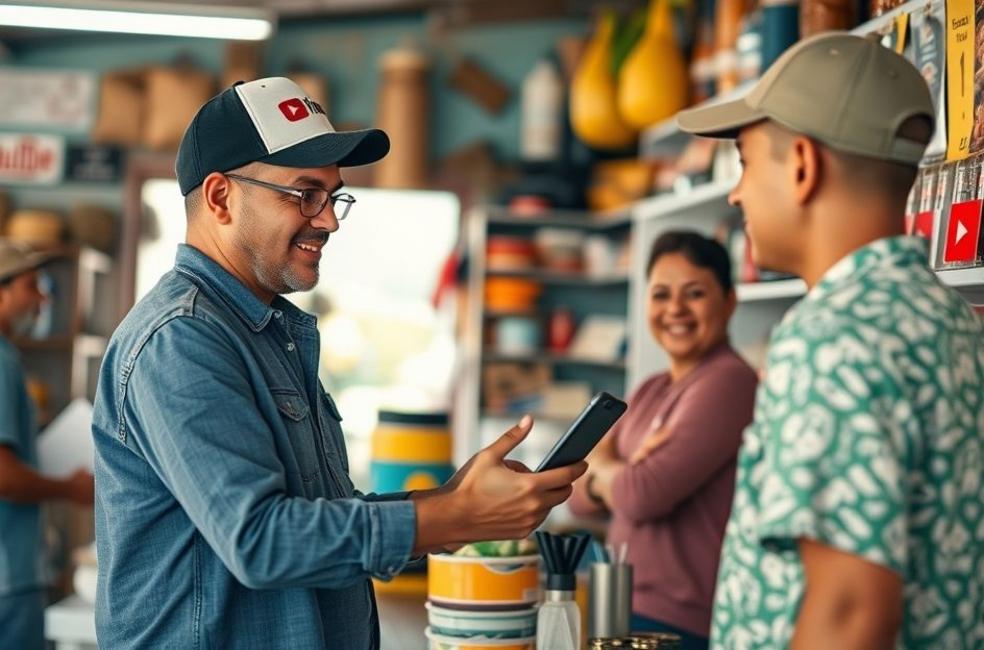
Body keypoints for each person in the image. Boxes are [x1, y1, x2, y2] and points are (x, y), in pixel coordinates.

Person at [91, 77, 586, 649]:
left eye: (332, 195)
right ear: (221, 197)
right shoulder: (181, 340)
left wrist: (450, 501)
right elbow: (261, 540)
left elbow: (314, 516)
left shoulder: (264, 334)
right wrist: (458, 519)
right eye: (304, 194)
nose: (329, 220)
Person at [677, 32, 984, 648]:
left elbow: (849, 611)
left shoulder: (828, 339)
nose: (736, 192)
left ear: (802, 165)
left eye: (745, 161)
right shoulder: (953, 322)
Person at [569, 231, 758, 649]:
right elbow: (577, 495)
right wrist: (620, 472)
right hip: (620, 605)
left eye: (694, 294)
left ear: (728, 301)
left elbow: (642, 496)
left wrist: (610, 468)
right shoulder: (650, 389)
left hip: (680, 622)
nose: (675, 309)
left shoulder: (729, 381)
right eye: (660, 294)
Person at [0, 240, 95, 650]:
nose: (43, 297)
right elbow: (4, 476)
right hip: (9, 579)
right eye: (30, 285)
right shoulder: (1, 361)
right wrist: (69, 489)